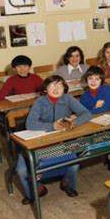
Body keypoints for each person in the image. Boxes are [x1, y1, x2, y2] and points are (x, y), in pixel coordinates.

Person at [20, 75, 91, 204]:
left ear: (64, 89)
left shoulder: (68, 98)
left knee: (74, 164)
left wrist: (75, 123)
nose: (56, 88)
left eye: (60, 85)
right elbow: (29, 124)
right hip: (39, 140)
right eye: (52, 85)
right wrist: (51, 126)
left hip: (61, 139)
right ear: (45, 89)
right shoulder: (40, 102)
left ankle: (67, 184)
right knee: (22, 170)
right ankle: (36, 191)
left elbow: (86, 113)